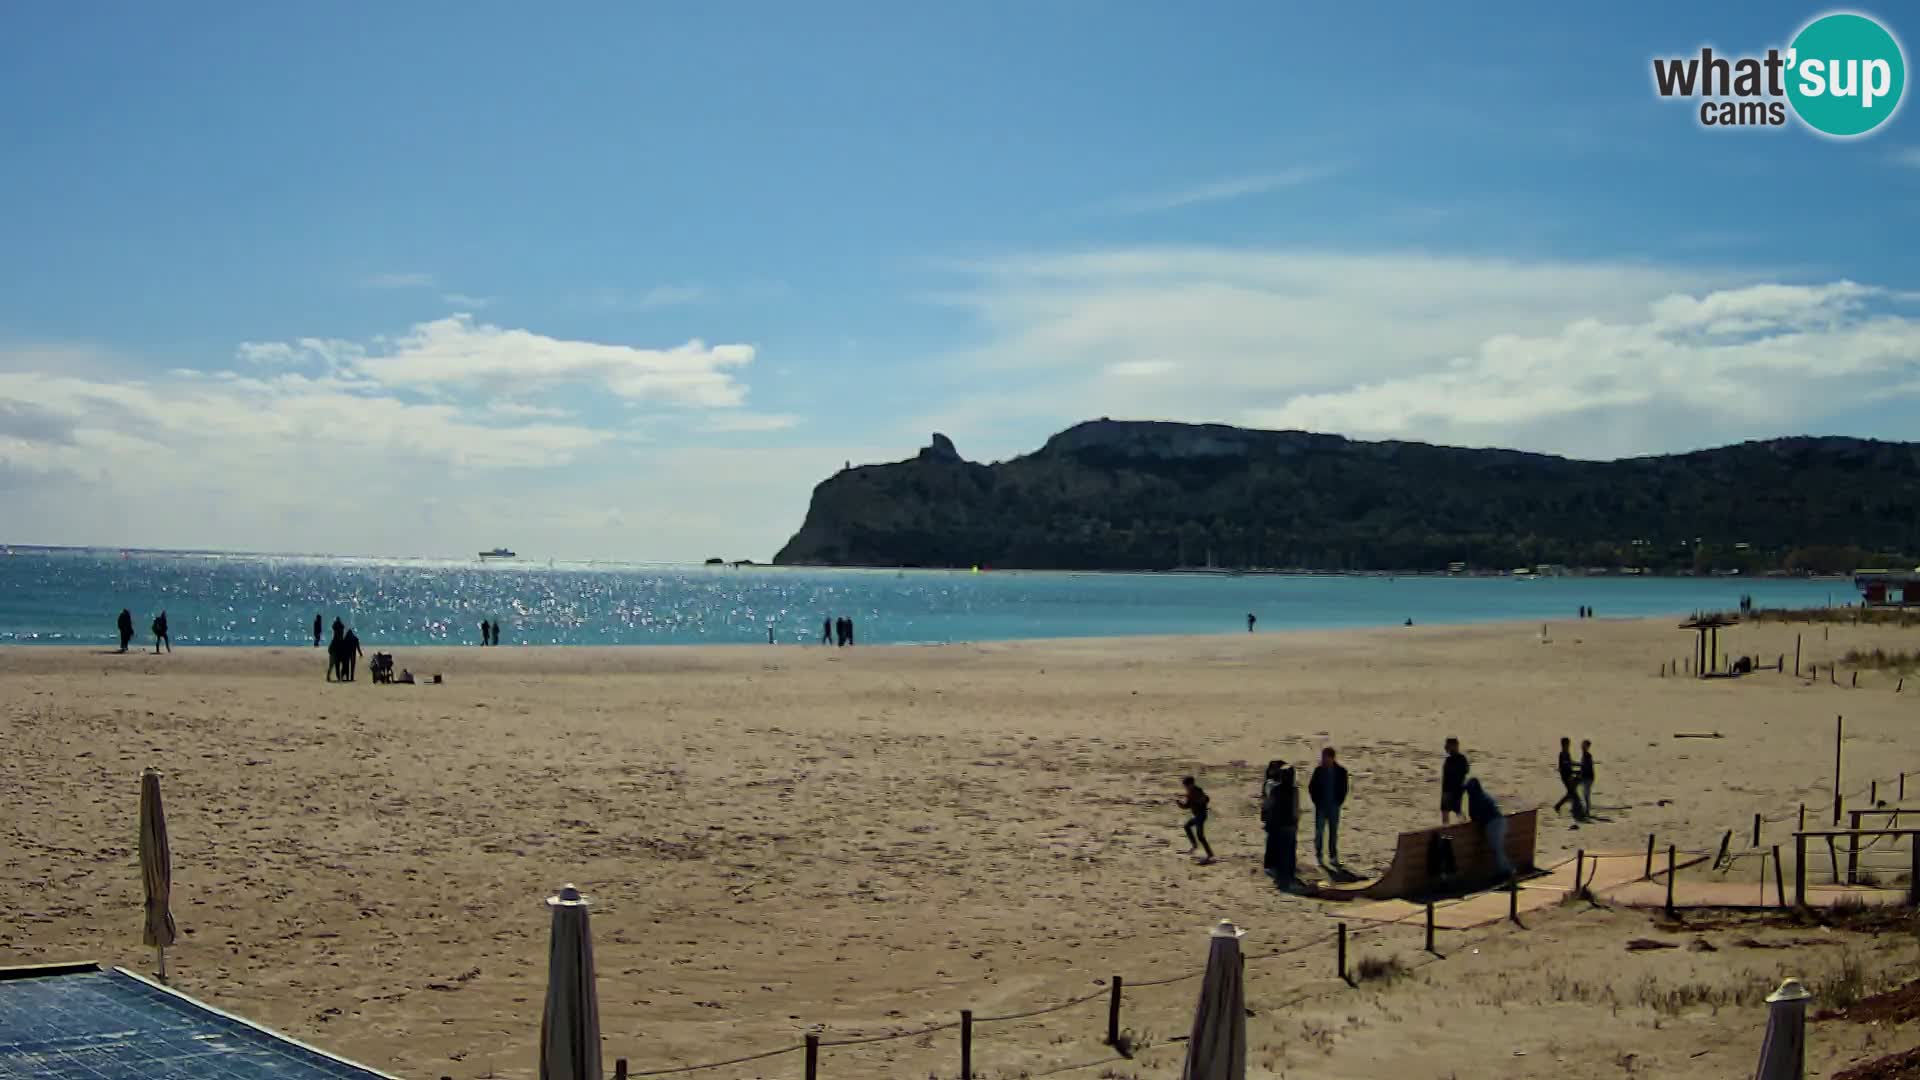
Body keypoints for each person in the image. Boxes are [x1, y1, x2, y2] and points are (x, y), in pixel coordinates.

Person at [1465, 777, 1513, 881]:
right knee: (1497, 849)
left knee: (1497, 849)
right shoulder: (1482, 795)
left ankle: (1506, 873)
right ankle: (1505, 872)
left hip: (1493, 823)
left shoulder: (1475, 797)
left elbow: (1473, 815)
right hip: (1499, 822)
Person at [1308, 747, 1348, 869]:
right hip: (1321, 806)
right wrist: (1316, 802)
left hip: (1334, 806)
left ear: (1332, 758)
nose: (1324, 760)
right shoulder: (1319, 771)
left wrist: (1338, 802)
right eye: (1323, 757)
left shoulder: (1341, 771)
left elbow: (1344, 789)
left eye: (1326, 757)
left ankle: (1333, 856)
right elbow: (1311, 787)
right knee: (1319, 832)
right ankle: (1319, 855)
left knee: (1333, 833)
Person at [1261, 762, 1299, 886]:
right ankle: (1290, 875)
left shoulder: (1275, 789)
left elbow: (1269, 806)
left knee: (1281, 851)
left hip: (1279, 825)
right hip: (1289, 824)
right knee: (1290, 851)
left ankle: (1282, 877)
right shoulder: (1294, 790)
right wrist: (1295, 822)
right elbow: (1295, 809)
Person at [1177, 776, 1214, 861]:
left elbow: (1205, 799)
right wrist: (1180, 804)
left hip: (1201, 816)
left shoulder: (1196, 792)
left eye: (1186, 786)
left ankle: (1209, 855)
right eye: (1185, 786)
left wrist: (1201, 800)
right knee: (1187, 826)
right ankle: (1194, 846)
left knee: (1200, 836)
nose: (1185, 787)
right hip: (1198, 816)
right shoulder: (1191, 793)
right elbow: (1187, 805)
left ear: (1191, 784)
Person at [1553, 737, 1586, 820]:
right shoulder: (1562, 754)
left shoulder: (1566, 753)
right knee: (1572, 793)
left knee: (1572, 793)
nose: (1568, 745)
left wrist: (1578, 765)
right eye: (1567, 744)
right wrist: (1577, 767)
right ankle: (1559, 806)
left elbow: (1570, 763)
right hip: (1566, 777)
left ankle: (1560, 806)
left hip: (1569, 775)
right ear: (1563, 745)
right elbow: (1566, 765)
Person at [1441, 737, 1469, 824]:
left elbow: (1465, 771)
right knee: (1445, 811)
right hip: (1447, 789)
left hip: (1456, 789)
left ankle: (1464, 824)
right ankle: (1445, 828)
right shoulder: (1448, 760)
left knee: (1457, 810)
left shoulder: (1461, 759)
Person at [1579, 739, 1596, 815]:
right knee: (1585, 794)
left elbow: (1586, 767)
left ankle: (1587, 810)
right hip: (1587, 777)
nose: (1582, 747)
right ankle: (1587, 810)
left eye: (1584, 745)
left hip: (1588, 777)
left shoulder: (1587, 755)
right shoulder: (1585, 755)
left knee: (1586, 794)